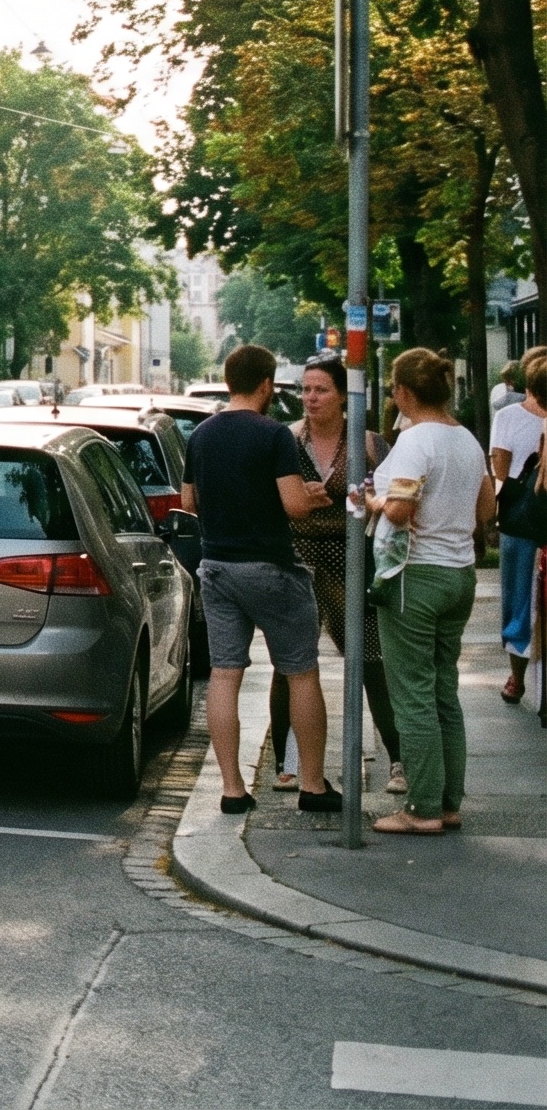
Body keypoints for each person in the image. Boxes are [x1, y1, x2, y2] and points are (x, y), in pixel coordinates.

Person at [182, 344, 339, 814]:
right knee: (300, 672)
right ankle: (312, 785)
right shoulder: (274, 435)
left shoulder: (202, 435)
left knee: (225, 674)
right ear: (267, 384)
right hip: (270, 568)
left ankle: (232, 790)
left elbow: (189, 502)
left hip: (217, 568)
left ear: (230, 381)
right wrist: (312, 497)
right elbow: (292, 506)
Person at [366, 348, 493, 836]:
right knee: (443, 691)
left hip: (413, 575)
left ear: (402, 392)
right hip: (458, 574)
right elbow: (485, 508)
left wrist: (371, 499)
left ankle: (421, 809)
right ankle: (449, 800)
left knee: (412, 694)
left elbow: (398, 510)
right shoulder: (466, 440)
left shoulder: (417, 441)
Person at [272, 358, 398, 791]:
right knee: (291, 662)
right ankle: (288, 764)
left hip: (351, 556)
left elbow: (393, 498)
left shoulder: (366, 442)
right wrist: (292, 500)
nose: (310, 398)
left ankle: (397, 758)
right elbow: (268, 501)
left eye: (321, 390)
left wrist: (362, 502)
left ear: (344, 395)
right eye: (306, 390)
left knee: (371, 656)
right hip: (299, 556)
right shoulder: (285, 439)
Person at [489, 356, 547, 705]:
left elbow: (500, 467)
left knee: (518, 597)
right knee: (519, 597)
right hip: (525, 517)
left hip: (519, 517)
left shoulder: (507, 417)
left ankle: (517, 676)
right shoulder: (509, 416)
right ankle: (518, 673)